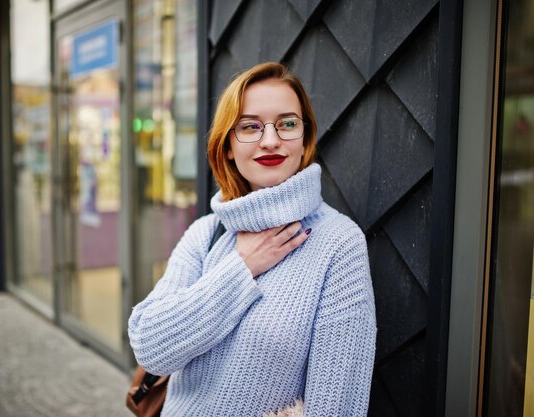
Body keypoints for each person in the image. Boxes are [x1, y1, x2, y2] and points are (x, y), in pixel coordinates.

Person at [128, 62, 376, 416]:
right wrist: (241, 267)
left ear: (305, 137)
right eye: (250, 127)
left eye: (288, 123)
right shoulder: (207, 233)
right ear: (227, 145)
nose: (270, 140)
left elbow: (338, 406)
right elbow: (152, 346)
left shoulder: (338, 244)